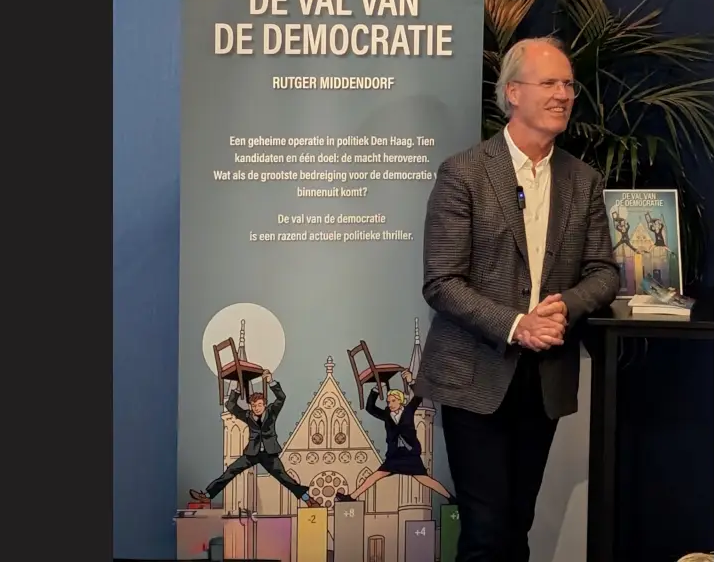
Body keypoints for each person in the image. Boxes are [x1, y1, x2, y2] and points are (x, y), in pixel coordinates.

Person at [415, 37, 621, 562]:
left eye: (568, 84)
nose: (563, 95)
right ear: (513, 93)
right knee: (485, 533)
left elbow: (604, 272)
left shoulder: (583, 180)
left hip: (543, 377)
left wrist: (563, 308)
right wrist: (516, 325)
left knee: (516, 527)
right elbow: (442, 281)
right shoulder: (463, 173)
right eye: (549, 83)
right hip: (474, 374)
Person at [188, 370, 313, 507]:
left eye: (259, 405)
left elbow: (281, 398)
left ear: (264, 404)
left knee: (284, 478)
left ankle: (308, 499)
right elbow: (230, 405)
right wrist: (238, 388)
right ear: (250, 406)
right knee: (231, 471)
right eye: (254, 405)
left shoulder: (271, 412)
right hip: (252, 453)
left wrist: (271, 382)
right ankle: (207, 496)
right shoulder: (247, 416)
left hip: (269, 454)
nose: (257, 408)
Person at [335, 369, 455, 504]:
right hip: (395, 454)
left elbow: (418, 397)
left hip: (409, 454)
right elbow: (370, 408)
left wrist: (411, 381)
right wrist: (376, 390)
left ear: (400, 400)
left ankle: (451, 498)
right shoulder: (387, 415)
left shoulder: (409, 410)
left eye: (393, 401)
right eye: (388, 401)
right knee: (377, 475)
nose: (390, 404)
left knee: (424, 479)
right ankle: (352, 497)